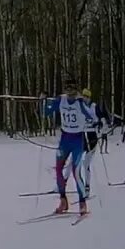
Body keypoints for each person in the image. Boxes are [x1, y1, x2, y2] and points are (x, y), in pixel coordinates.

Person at [43, 79, 97, 216]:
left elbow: (91, 116)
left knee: (76, 171)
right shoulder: (60, 100)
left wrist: (93, 121)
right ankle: (63, 200)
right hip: (65, 139)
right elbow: (46, 112)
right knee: (59, 169)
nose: (69, 92)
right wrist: (43, 101)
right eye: (67, 88)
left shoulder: (80, 103)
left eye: (72, 89)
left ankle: (82, 203)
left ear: (76, 90)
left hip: (77, 140)